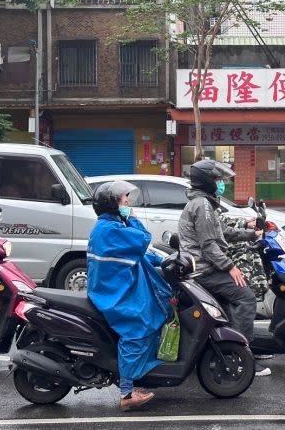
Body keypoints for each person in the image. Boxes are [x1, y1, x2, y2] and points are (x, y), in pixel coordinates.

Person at [177, 159, 271, 377]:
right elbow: (209, 245)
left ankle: (239, 346)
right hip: (203, 271)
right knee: (245, 297)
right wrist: (230, 267)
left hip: (205, 268)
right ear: (207, 181)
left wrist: (251, 233)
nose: (220, 183)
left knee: (232, 300)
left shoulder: (205, 203)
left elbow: (223, 232)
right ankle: (242, 355)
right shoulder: (202, 205)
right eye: (217, 179)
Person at [86, 180, 173, 411]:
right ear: (112, 204)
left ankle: (142, 373)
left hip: (115, 288)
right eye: (124, 200)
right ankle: (126, 392)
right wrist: (132, 218)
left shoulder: (111, 226)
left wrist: (164, 260)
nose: (128, 204)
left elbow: (139, 254)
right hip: (113, 294)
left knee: (150, 316)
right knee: (138, 327)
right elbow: (143, 239)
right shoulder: (111, 229)